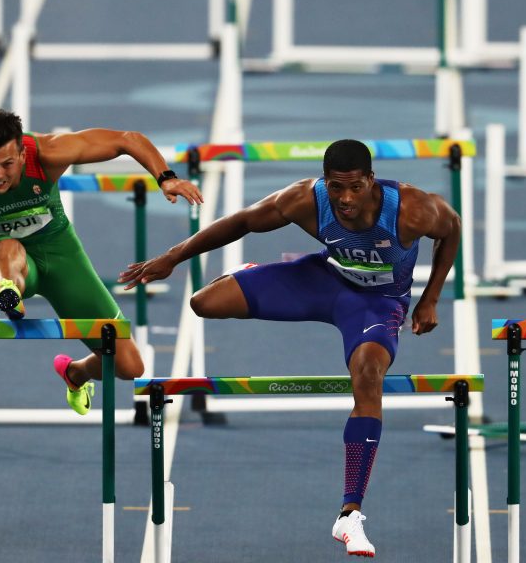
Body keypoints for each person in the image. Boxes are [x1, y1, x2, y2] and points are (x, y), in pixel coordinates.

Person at [118, 138, 461, 557]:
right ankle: (252, 275)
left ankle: (349, 513)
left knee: (368, 375)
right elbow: (243, 221)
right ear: (324, 182)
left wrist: (430, 298)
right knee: (203, 303)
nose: (346, 199)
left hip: (377, 303)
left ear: (371, 180)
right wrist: (174, 256)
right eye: (336, 188)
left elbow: (452, 229)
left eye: (355, 187)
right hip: (321, 282)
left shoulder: (412, 209)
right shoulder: (304, 200)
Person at [0, 109, 203, 415]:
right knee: (8, 249)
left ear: (23, 156)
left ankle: (75, 374)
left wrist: (166, 178)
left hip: (59, 250)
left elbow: (127, 140)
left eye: (7, 165)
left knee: (129, 366)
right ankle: (9, 293)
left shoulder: (50, 152)